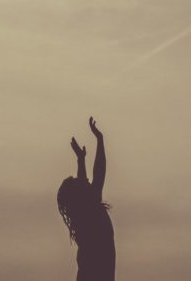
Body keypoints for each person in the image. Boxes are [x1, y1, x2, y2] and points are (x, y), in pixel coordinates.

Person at [57, 117, 115, 281]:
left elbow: (84, 183)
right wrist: (100, 139)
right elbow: (99, 172)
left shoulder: (84, 219)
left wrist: (81, 159)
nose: (81, 180)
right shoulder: (92, 214)